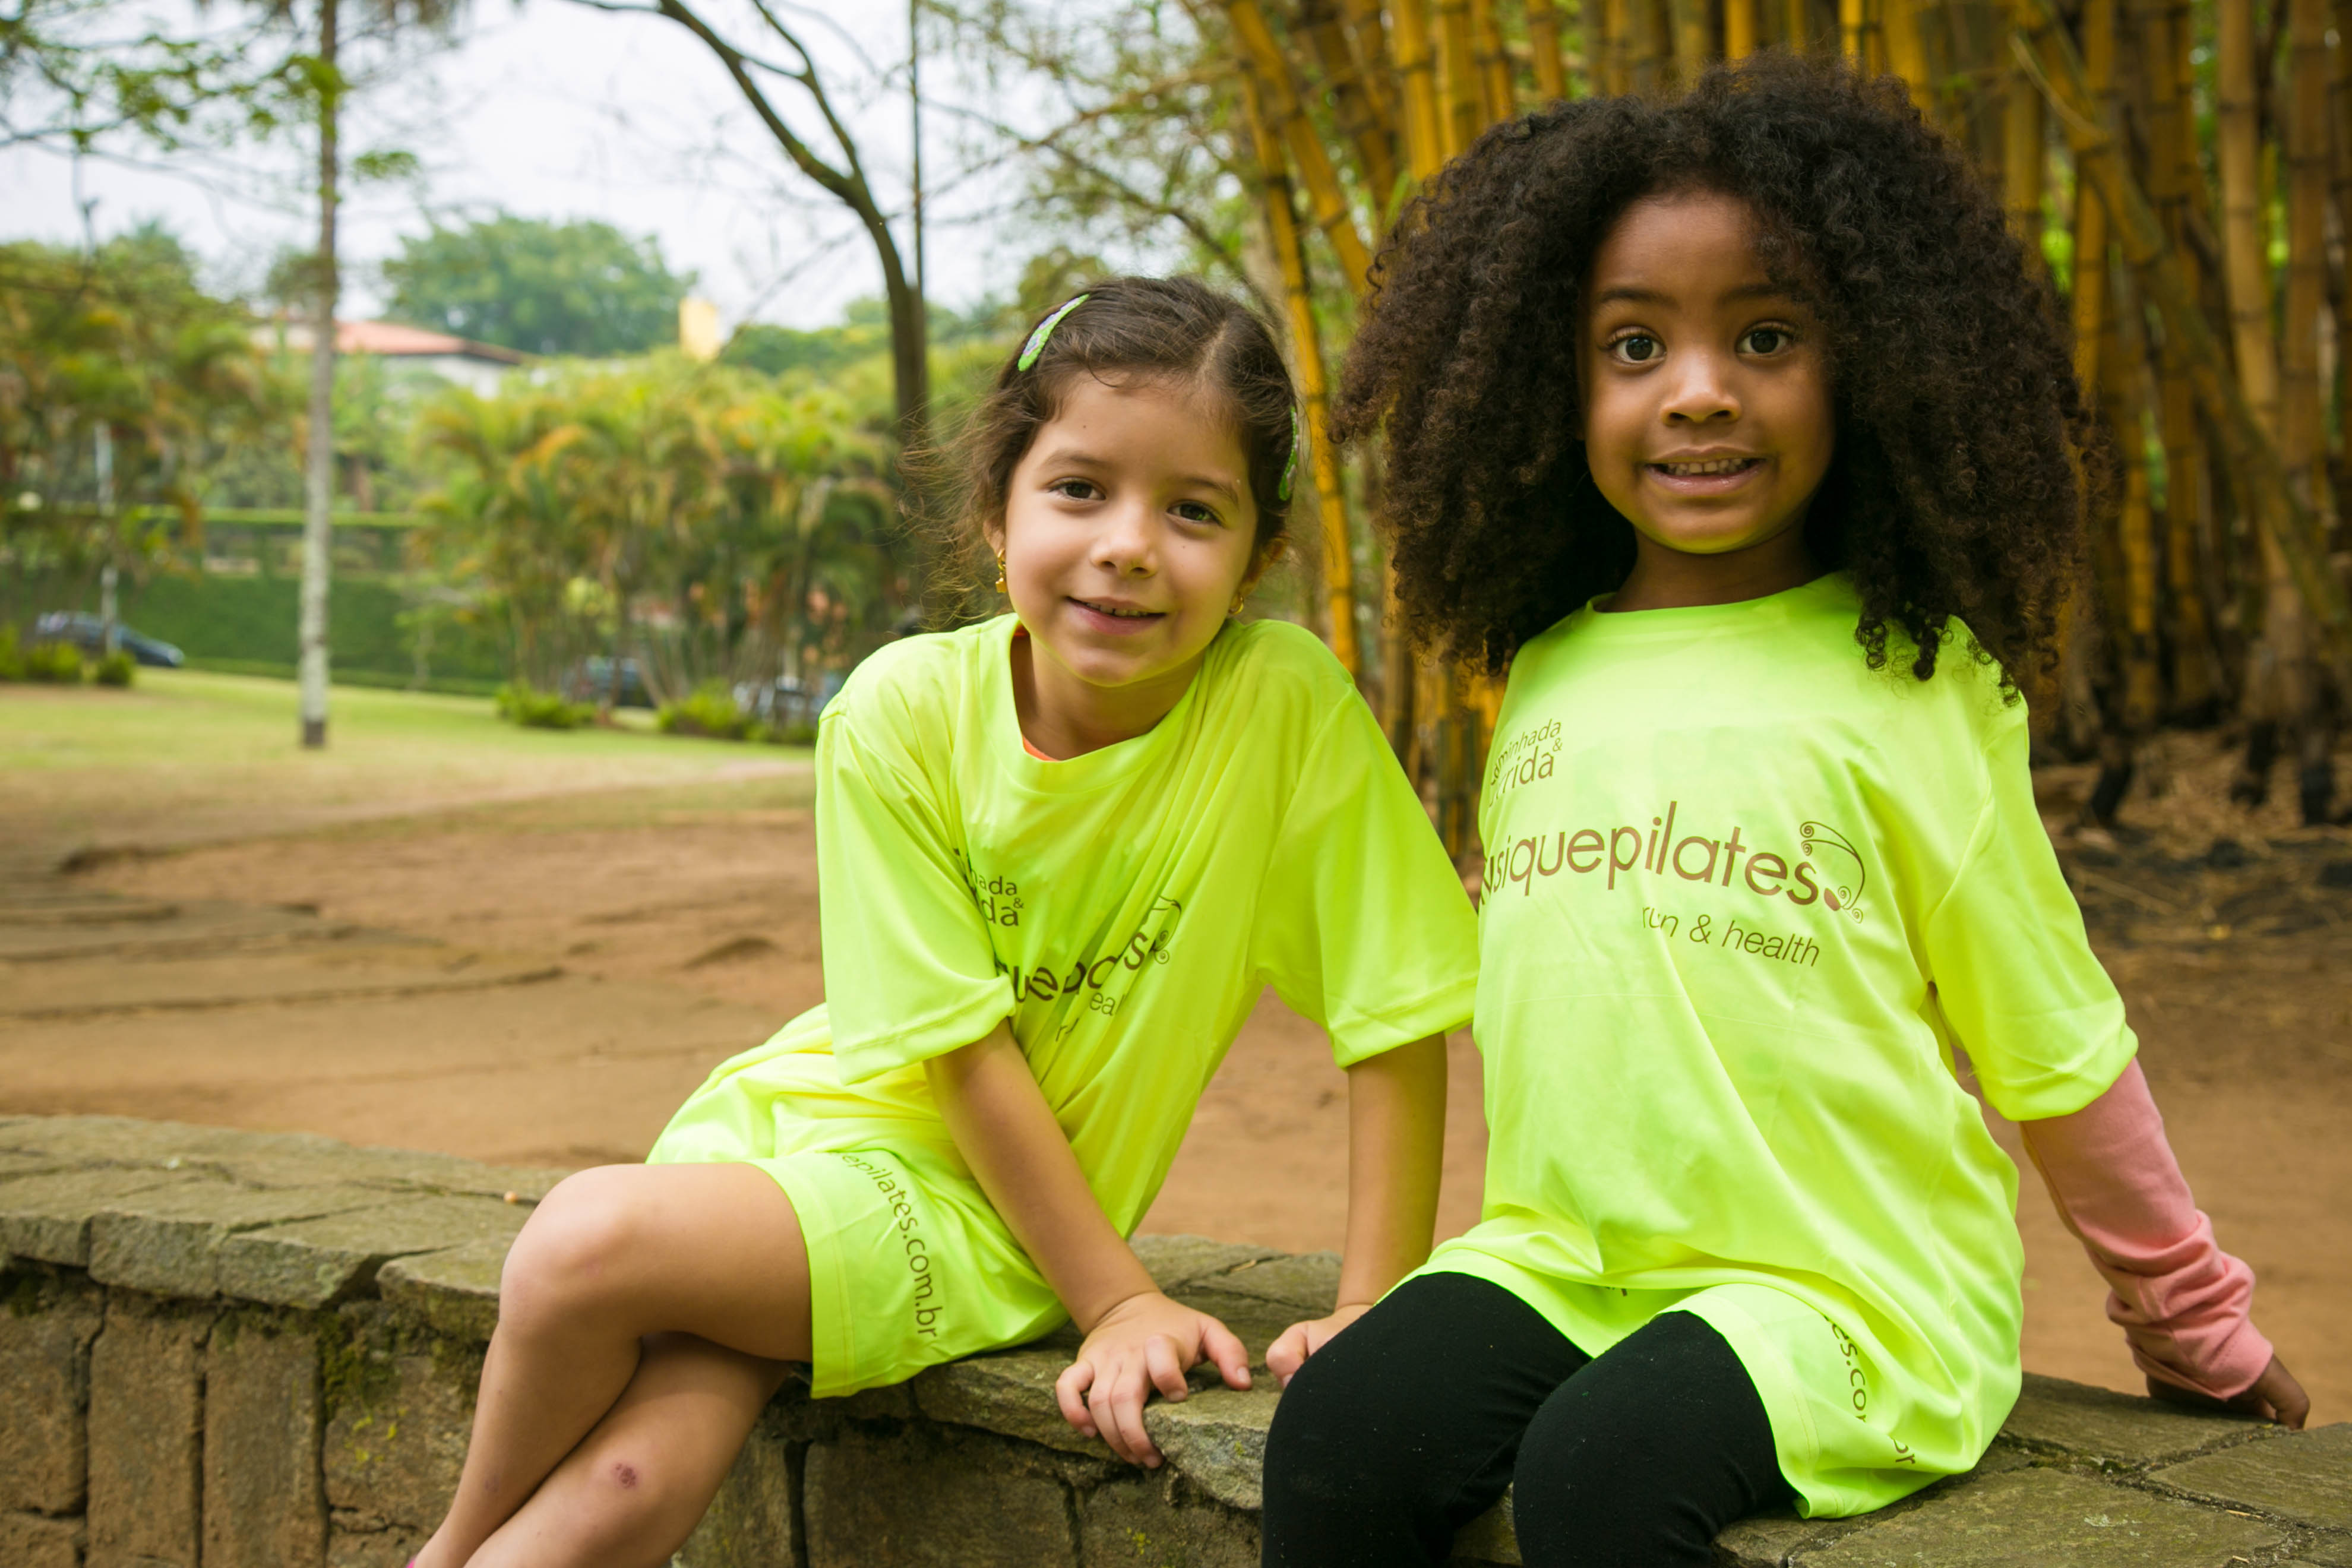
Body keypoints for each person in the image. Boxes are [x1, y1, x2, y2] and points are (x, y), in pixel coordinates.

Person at [1259, 56, 2309, 1568]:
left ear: (1870, 364)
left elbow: (2056, 1047)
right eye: (1633, 345)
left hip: (1842, 1291)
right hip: (1568, 1262)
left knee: (1602, 1477)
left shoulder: (1921, 684)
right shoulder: (1544, 671)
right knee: (1343, 1438)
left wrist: (2191, 1323)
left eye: (1766, 337)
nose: (1699, 389)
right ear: (1550, 386)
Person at [413, 277, 1478, 1568]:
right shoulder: (899, 712)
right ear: (996, 511)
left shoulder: (1280, 707)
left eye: (1194, 510)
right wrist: (1122, 1298)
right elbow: (954, 1047)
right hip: (789, 1138)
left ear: (1258, 559)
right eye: (1078, 489)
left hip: (984, 1224)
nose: (1130, 545)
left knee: (581, 1241)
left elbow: (1394, 1005)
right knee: (636, 1482)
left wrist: (1370, 1310)